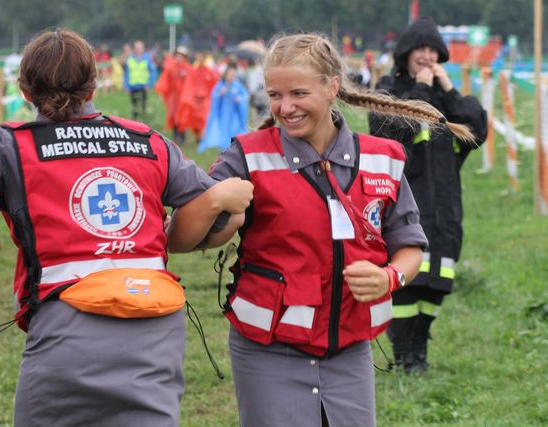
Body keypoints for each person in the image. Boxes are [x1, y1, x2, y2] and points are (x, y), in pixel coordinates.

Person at [0, 29, 253, 426]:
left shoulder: (10, 145)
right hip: (155, 326)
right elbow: (225, 216)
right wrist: (174, 237)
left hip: (65, 324)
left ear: (23, 89)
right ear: (94, 84)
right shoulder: (149, 142)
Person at [200, 32, 477, 426]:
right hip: (267, 350)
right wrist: (213, 209)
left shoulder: (383, 159)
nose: (285, 107)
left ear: (332, 87)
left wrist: (390, 277)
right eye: (275, 95)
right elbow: (195, 231)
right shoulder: (247, 155)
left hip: (350, 352)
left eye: (298, 93)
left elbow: (411, 247)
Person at [368, 17, 488, 375]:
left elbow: (476, 131)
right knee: (406, 280)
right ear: (405, 54)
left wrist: (448, 90)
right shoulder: (389, 88)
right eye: (419, 48)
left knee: (438, 280)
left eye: (433, 49)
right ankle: (406, 352)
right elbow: (388, 131)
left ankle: (418, 346)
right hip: (406, 205)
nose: (426, 55)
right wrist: (419, 90)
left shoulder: (446, 99)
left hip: (446, 207)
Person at [198, 64, 249, 153]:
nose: (231, 77)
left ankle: (235, 146)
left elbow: (245, 95)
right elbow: (214, 96)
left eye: (233, 75)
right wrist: (220, 94)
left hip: (234, 115)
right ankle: (224, 147)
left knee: (235, 129)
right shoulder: (220, 85)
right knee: (223, 131)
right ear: (225, 75)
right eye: (229, 75)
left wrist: (239, 99)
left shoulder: (237, 86)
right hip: (223, 115)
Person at [155, 46, 192, 145]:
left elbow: (192, 83)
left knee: (182, 117)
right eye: (177, 56)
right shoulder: (171, 68)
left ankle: (182, 137)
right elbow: (165, 81)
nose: (179, 58)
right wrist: (163, 92)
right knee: (173, 116)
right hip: (173, 98)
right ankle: (176, 137)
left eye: (181, 56)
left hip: (184, 98)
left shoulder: (188, 69)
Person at [124, 40, 156, 121]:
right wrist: (126, 86)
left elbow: (152, 72)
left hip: (143, 86)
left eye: (140, 48)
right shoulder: (130, 59)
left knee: (143, 105)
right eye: (136, 48)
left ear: (143, 49)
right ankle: (135, 121)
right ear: (134, 49)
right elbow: (126, 73)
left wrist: (149, 84)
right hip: (133, 86)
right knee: (134, 107)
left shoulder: (147, 58)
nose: (138, 50)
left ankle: (144, 121)